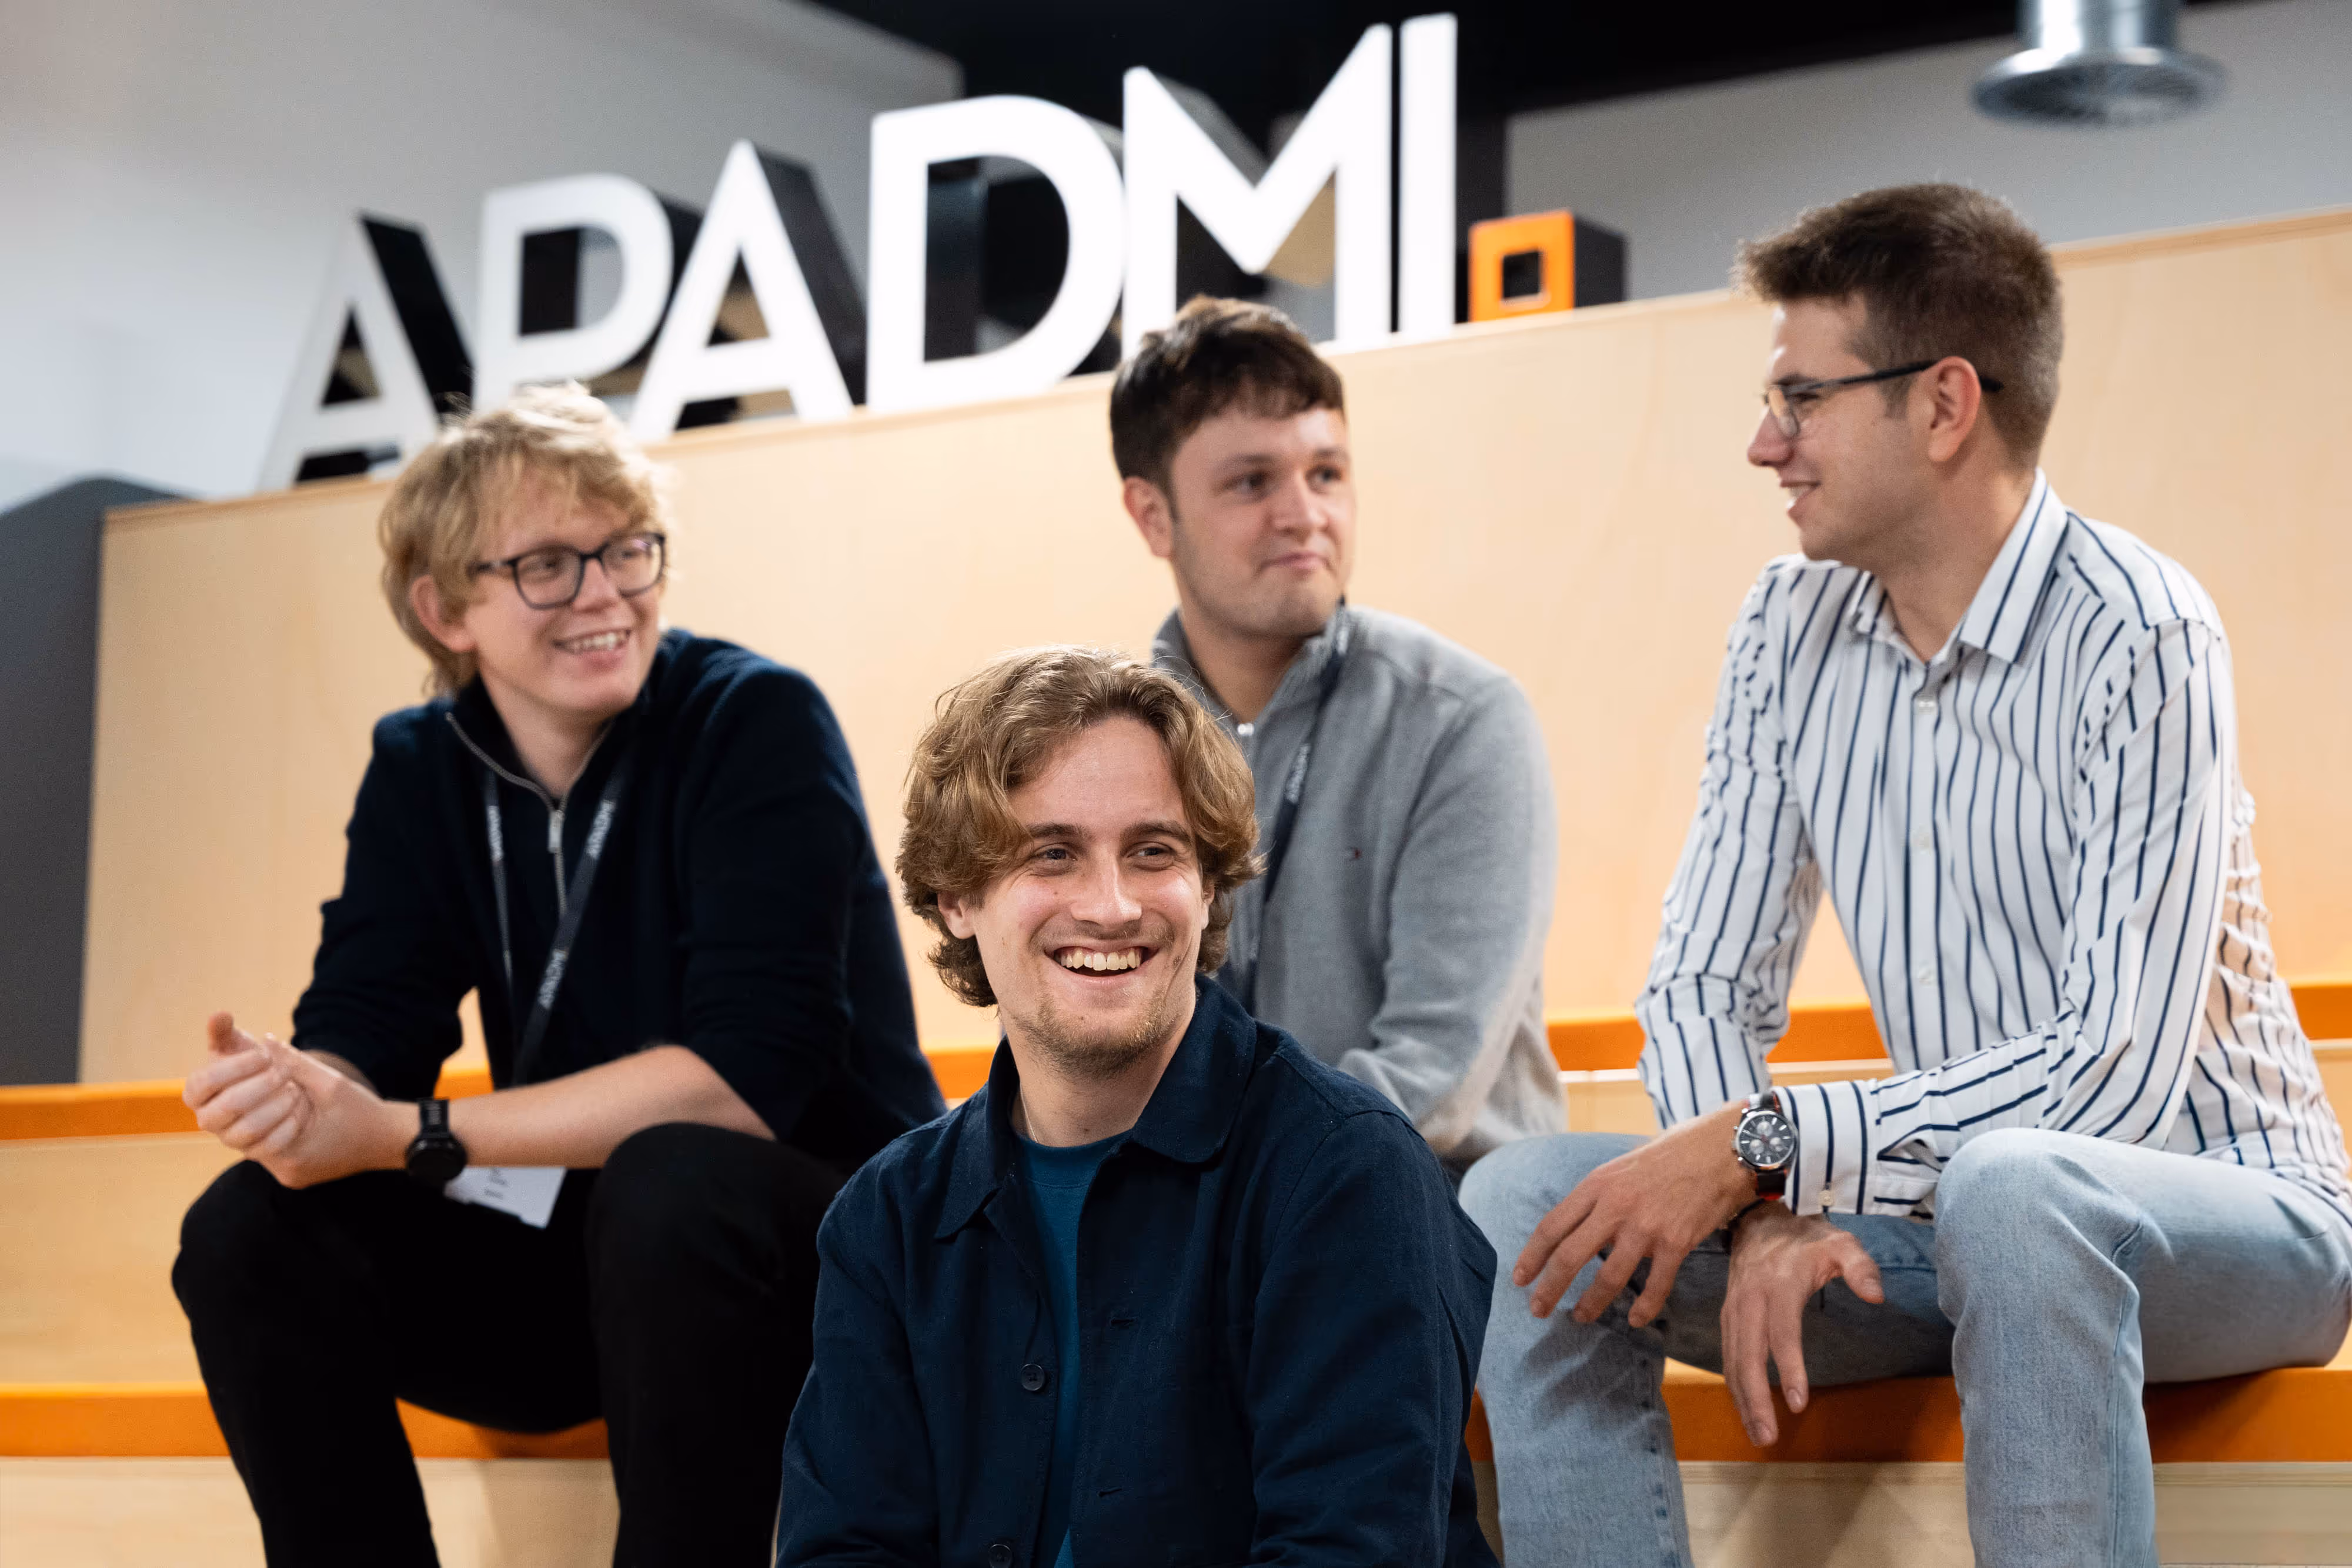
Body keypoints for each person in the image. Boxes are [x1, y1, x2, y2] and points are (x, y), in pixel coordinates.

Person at [1460, 183, 2352, 1567]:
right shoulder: (1783, 621)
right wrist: (1764, 1218)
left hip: (2228, 1218)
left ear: (1942, 406)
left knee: (2021, 1189)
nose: (1765, 444)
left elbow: (2105, 1077)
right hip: (1934, 1225)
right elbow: (1701, 979)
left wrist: (1768, 1145)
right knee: (1526, 1205)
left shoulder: (2142, 629)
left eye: (1799, 399)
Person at [171, 383, 944, 1568]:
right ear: (445, 610)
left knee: (671, 1177)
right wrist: (306, 1092)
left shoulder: (754, 721)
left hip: (820, 1260)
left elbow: (743, 1078)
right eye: (546, 564)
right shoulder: (420, 764)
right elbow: (370, 1013)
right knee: (245, 1230)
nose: (603, 596)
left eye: (626, 551)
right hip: (595, 1266)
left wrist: (407, 1131)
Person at [776, 646, 1496, 1567]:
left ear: (1206, 886)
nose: (1111, 906)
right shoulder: (886, 1220)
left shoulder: (1347, 1172)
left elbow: (1348, 1551)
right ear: (957, 896)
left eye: (1154, 851)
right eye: (1053, 854)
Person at [1113, 297, 1562, 1174]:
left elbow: (1431, 1081)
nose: (1303, 514)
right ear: (1152, 514)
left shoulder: (1462, 718)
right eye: (1252, 482)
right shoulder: (1115, 748)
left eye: (1325, 473)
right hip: (1210, 1223)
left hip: (1433, 1213)